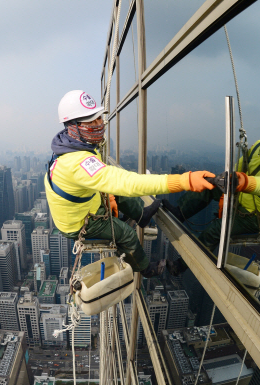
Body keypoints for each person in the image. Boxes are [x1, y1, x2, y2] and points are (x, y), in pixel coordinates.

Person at [45, 90, 216, 278]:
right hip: (78, 223)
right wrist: (184, 180)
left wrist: (108, 195)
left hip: (82, 206)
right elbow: (126, 181)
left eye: (98, 118)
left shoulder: (71, 145)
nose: (99, 124)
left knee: (117, 193)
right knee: (126, 233)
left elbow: (100, 180)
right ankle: (144, 268)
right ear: (72, 126)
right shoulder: (76, 161)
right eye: (90, 121)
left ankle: (141, 215)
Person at [169, 108, 260, 274]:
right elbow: (241, 166)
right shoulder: (258, 146)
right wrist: (226, 181)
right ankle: (179, 212)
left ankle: (181, 265)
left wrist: (243, 182)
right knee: (209, 184)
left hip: (255, 217)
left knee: (216, 230)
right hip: (242, 196)